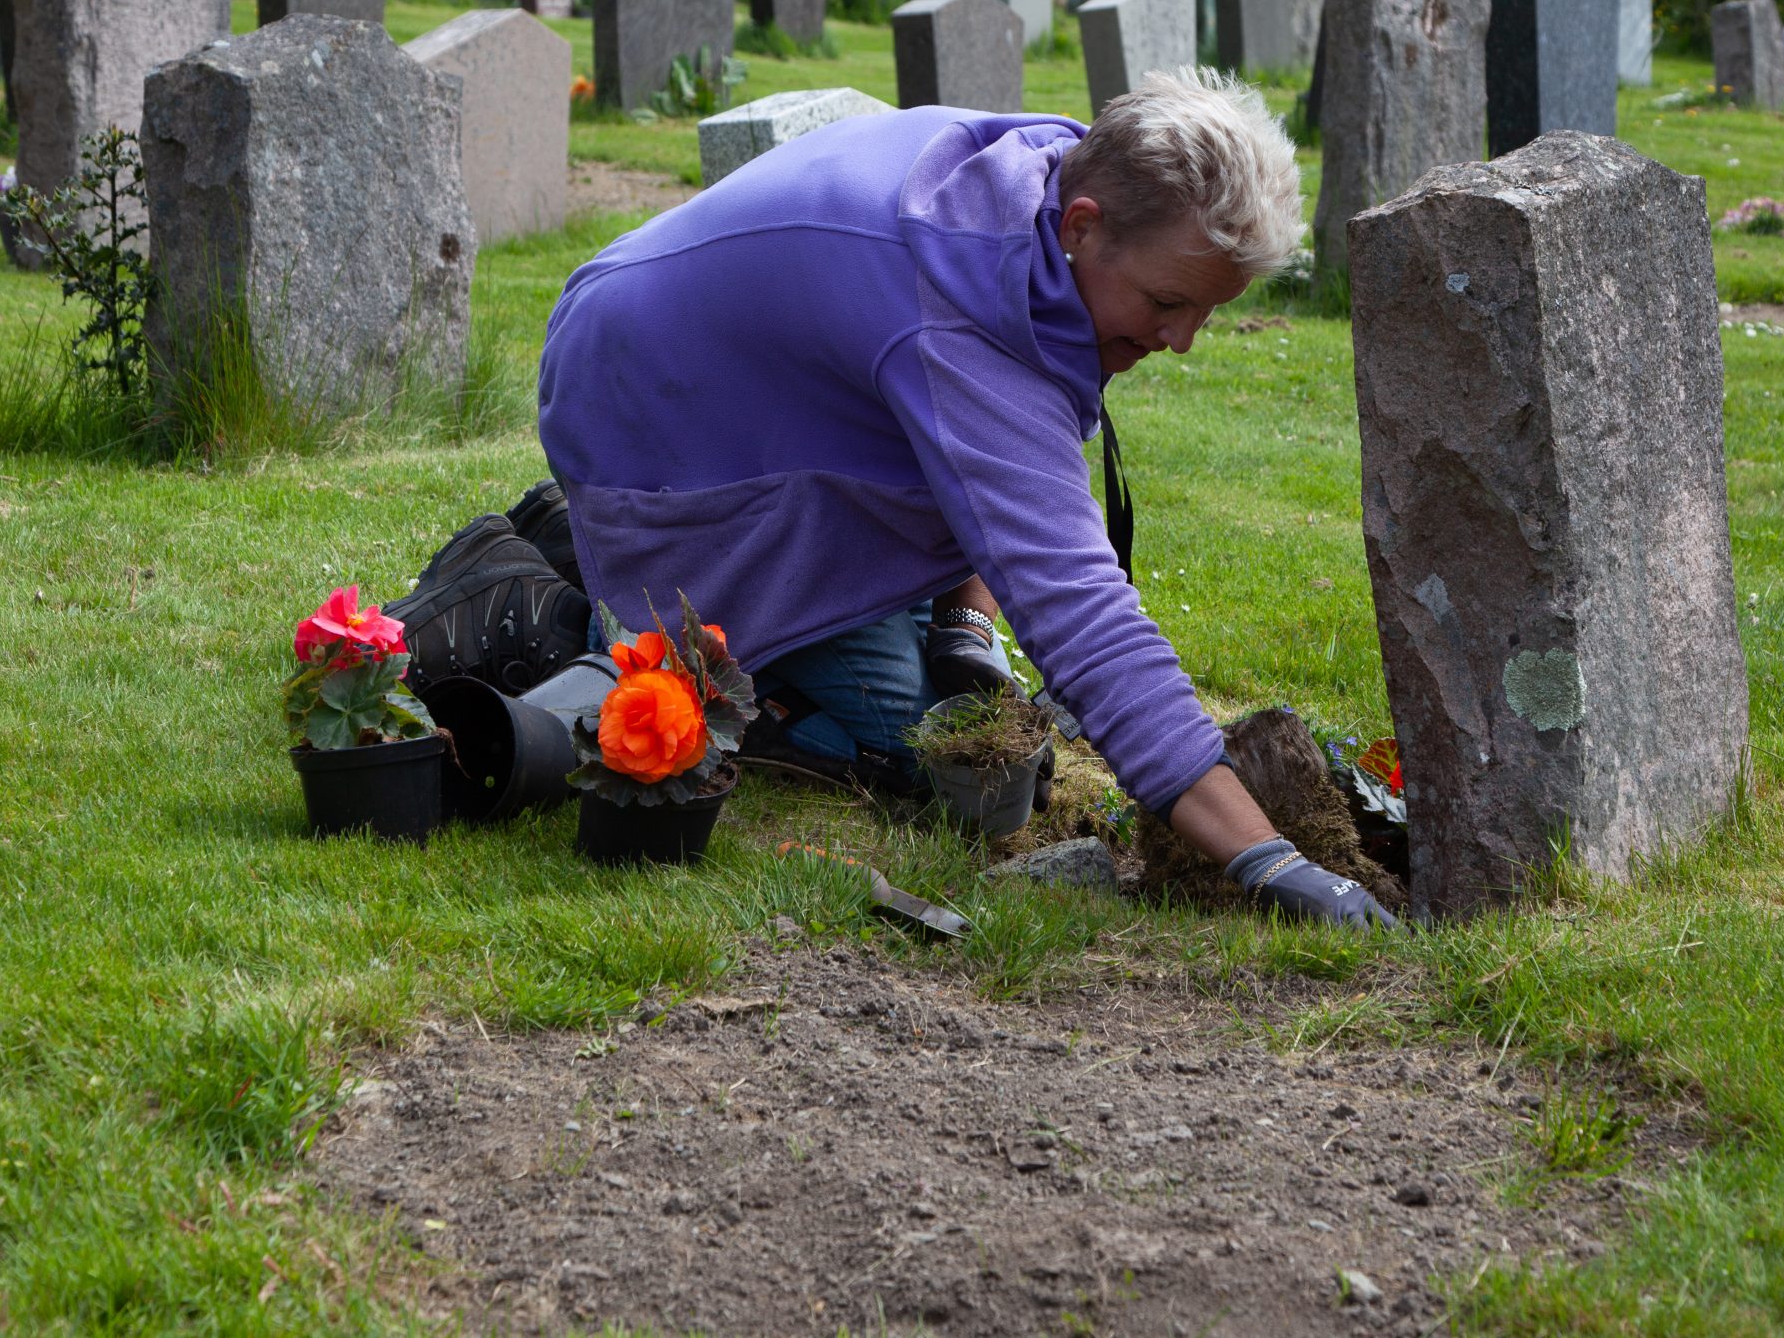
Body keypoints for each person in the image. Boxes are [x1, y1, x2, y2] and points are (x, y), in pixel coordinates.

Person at [534, 70, 1382, 929]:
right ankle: (639, 613)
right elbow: (1075, 605)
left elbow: (973, 469)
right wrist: (1268, 856)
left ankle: (679, 594)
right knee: (942, 753)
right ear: (1083, 228)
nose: (1182, 340)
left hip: (725, 379)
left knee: (964, 702)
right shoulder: (955, 313)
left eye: (1203, 312)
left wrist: (966, 624)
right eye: (1168, 302)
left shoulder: (1036, 183)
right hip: (646, 431)